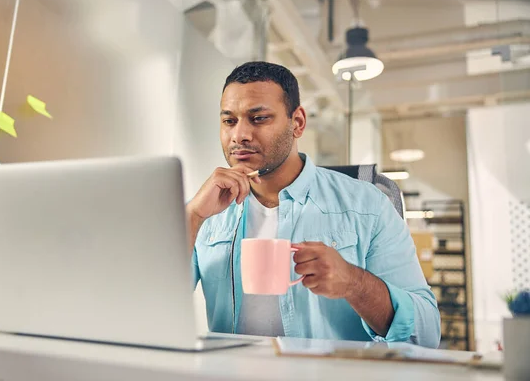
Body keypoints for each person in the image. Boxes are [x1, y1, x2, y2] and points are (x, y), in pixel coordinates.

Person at [186, 61, 440, 348]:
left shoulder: (368, 206)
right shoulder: (204, 210)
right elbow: (146, 302)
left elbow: (426, 333)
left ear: (298, 123)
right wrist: (192, 216)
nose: (239, 135)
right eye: (229, 121)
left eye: (258, 119)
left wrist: (354, 283)